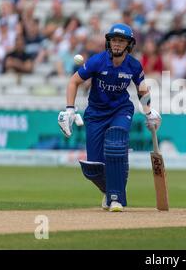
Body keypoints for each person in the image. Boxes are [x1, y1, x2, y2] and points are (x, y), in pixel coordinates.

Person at [57, 23, 161, 212]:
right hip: (96, 114)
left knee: (116, 140)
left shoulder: (134, 65)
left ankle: (116, 198)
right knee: (93, 168)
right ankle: (110, 191)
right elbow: (74, 81)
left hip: (121, 110)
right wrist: (70, 109)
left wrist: (149, 111)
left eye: (121, 41)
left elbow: (142, 89)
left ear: (129, 45)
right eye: (114, 40)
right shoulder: (97, 61)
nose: (116, 44)